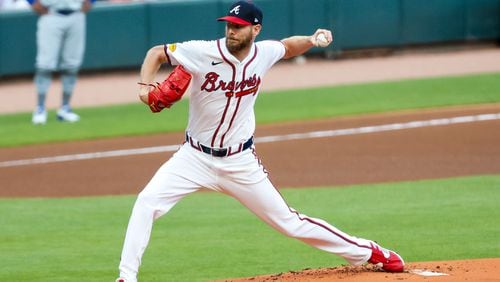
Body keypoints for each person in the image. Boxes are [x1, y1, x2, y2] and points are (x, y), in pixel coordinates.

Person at [116, 1, 404, 281]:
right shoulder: (201, 51)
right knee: (146, 203)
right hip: (193, 158)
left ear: (255, 30)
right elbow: (157, 52)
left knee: (289, 222)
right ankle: (126, 278)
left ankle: (367, 251)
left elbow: (289, 47)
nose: (231, 30)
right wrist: (144, 87)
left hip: (240, 161)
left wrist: (312, 39)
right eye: (229, 25)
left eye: (239, 27)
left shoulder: (263, 54)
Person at [28, 0, 95, 125]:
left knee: (72, 65)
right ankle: (40, 108)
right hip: (50, 14)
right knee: (45, 65)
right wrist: (32, 2)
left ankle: (65, 108)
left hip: (77, 13)